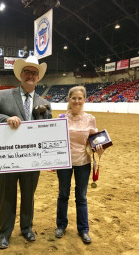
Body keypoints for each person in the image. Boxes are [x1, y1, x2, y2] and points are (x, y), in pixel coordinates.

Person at [0, 56, 52, 249]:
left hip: (32, 160)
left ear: (38, 77)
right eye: (27, 72)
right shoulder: (3, 95)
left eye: (34, 73)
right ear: (20, 75)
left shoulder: (44, 102)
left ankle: (27, 228)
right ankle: (4, 233)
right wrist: (5, 118)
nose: (30, 75)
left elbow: (49, 129)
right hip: (7, 157)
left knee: (29, 195)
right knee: (6, 196)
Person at [55, 86, 104, 244]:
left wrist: (99, 149)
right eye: (73, 98)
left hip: (83, 162)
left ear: (84, 99)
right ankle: (61, 225)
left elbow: (94, 141)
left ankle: (83, 229)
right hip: (64, 162)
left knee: (81, 197)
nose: (76, 101)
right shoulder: (61, 117)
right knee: (63, 195)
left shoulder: (90, 119)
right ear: (69, 99)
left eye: (79, 98)